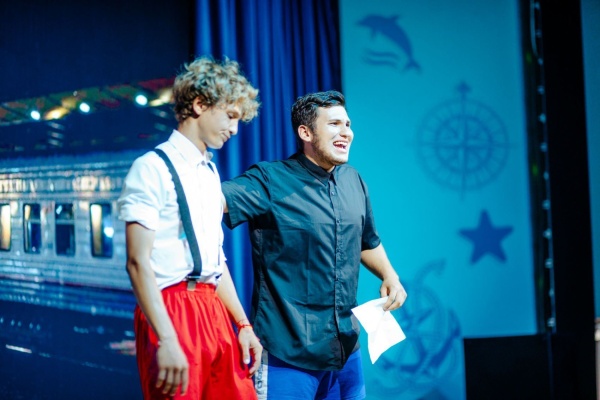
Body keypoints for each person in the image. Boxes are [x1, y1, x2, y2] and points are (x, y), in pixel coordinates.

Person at [221, 90, 408, 399]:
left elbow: (367, 240)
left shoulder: (353, 180)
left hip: (345, 351)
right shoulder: (270, 179)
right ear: (305, 133)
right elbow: (212, 200)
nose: (346, 132)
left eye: (347, 124)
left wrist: (390, 275)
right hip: (287, 353)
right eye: (334, 124)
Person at [117, 56, 262, 400]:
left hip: (212, 308)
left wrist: (242, 324)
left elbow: (215, 260)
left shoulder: (209, 173)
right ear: (199, 104)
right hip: (172, 307)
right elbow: (137, 263)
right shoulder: (151, 168)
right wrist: (166, 338)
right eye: (230, 116)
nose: (235, 129)